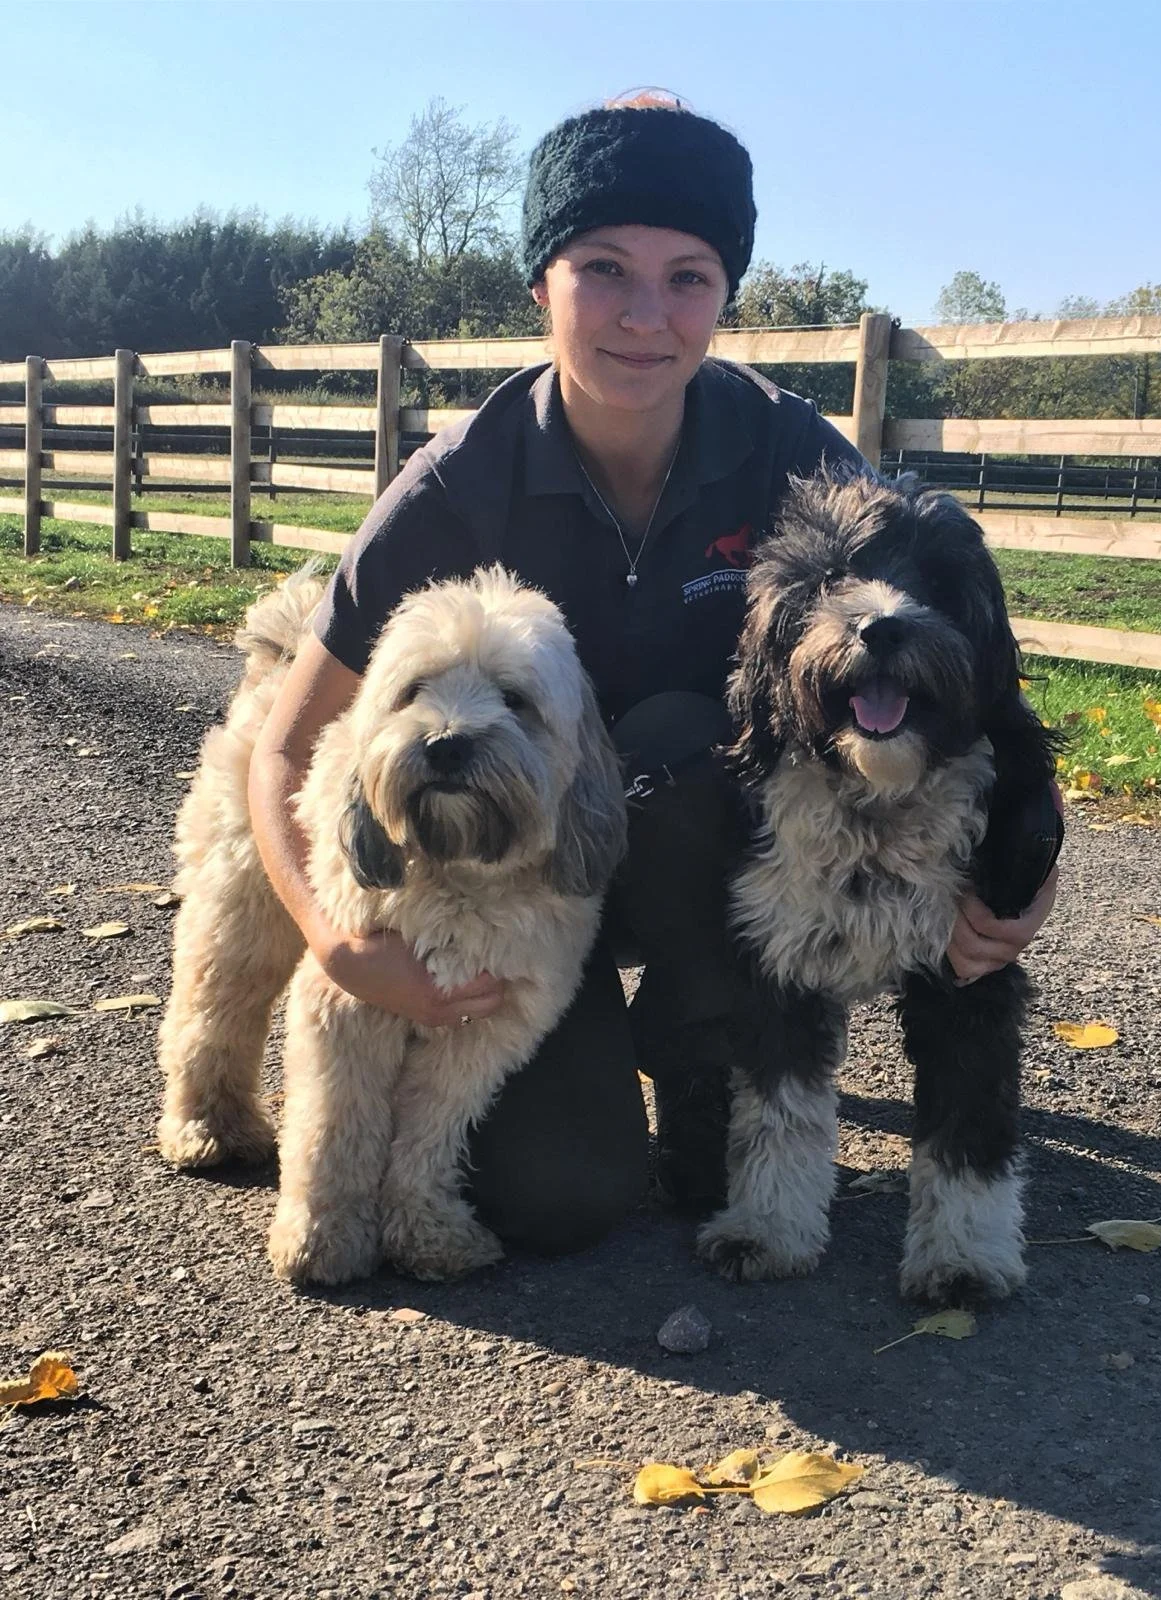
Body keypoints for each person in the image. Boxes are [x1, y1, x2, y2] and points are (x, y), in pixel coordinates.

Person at [247, 94, 1060, 1256]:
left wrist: (1028, 866)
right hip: (519, 892)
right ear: (540, 282)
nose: (644, 314)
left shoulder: (793, 454)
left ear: (727, 295)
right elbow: (286, 744)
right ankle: (604, 1066)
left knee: (684, 739)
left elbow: (953, 645)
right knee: (558, 1196)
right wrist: (333, 940)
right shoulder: (453, 487)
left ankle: (700, 1065)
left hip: (698, 854)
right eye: (603, 268)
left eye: (688, 277)